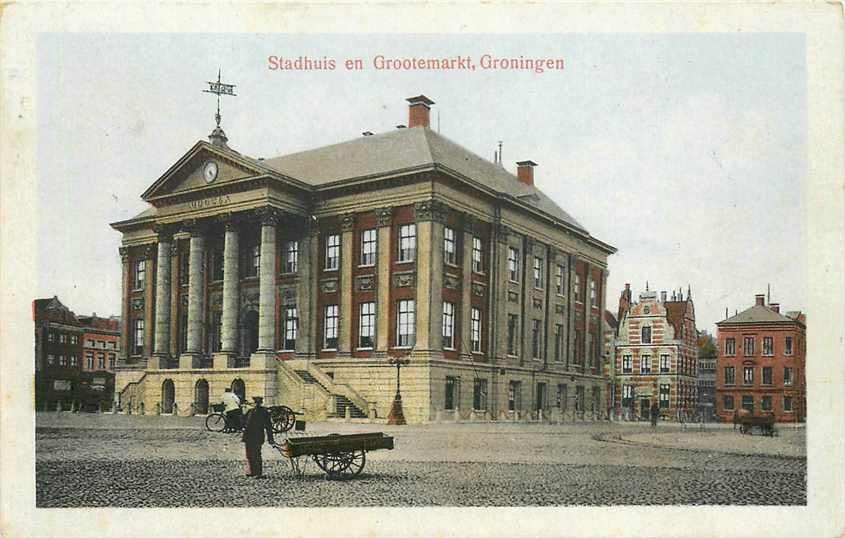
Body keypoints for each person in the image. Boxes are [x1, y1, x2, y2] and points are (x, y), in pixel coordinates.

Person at [241, 396, 276, 478]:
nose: (256, 404)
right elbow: (243, 420)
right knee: (249, 454)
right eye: (255, 403)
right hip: (248, 435)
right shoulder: (250, 411)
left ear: (261, 403)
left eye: (258, 403)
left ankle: (258, 473)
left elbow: (268, 426)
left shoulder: (264, 412)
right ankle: (252, 471)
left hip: (258, 435)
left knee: (256, 454)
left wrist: (271, 440)